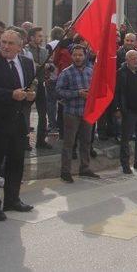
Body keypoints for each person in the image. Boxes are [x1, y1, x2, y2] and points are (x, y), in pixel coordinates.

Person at [0, 30, 36, 221]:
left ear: (20, 47)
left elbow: (29, 87)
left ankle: (12, 199)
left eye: (11, 43)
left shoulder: (27, 63)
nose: (5, 46)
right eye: (3, 42)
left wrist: (30, 96)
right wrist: (11, 94)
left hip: (17, 123)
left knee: (16, 162)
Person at [56, 45, 100, 183]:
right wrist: (77, 93)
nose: (78, 57)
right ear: (72, 56)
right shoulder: (66, 73)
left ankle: (85, 168)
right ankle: (65, 171)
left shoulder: (90, 71)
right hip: (72, 113)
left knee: (86, 142)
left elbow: (96, 88)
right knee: (69, 143)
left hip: (87, 113)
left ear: (85, 56)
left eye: (80, 55)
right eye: (75, 55)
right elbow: (58, 91)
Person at [27, 27, 52, 149]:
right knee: (25, 113)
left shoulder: (44, 51)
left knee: (43, 113)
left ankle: (41, 140)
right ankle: (25, 141)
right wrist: (38, 66)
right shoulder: (25, 51)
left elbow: (51, 63)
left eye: (42, 36)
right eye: (39, 36)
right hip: (29, 85)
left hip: (41, 84)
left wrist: (49, 66)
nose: (41, 38)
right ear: (31, 37)